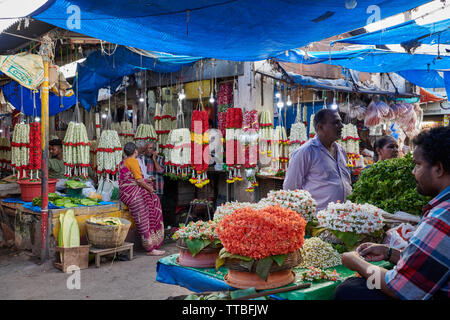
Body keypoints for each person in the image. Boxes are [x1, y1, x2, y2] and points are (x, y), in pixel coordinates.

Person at [334, 126, 450, 300]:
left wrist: (356, 262)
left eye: (417, 165)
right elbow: (429, 264)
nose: (413, 172)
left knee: (350, 289)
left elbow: (399, 288)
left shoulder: (442, 217)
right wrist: (390, 253)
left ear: (439, 169)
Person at [283, 109, 352, 211]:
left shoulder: (341, 150)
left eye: (341, 122)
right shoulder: (305, 152)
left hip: (343, 218)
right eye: (336, 123)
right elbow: (290, 189)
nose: (341, 126)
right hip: (319, 219)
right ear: (320, 127)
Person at [118, 142, 165, 256]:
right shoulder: (133, 161)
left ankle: (150, 243)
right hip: (133, 193)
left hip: (125, 193)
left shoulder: (122, 162)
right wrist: (150, 188)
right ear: (135, 151)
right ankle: (150, 248)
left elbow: (131, 179)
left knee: (146, 210)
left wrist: (146, 183)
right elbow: (138, 180)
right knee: (143, 217)